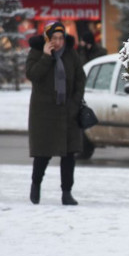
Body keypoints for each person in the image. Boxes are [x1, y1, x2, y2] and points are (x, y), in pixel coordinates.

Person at [26, 21, 86, 206]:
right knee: (42, 154)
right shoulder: (36, 52)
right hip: (44, 113)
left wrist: (75, 103)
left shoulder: (71, 54)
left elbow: (80, 78)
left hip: (68, 112)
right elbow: (33, 76)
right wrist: (46, 57)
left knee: (69, 155)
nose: (58, 42)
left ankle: (66, 193)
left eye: (61, 38)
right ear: (47, 39)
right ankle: (36, 186)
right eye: (54, 38)